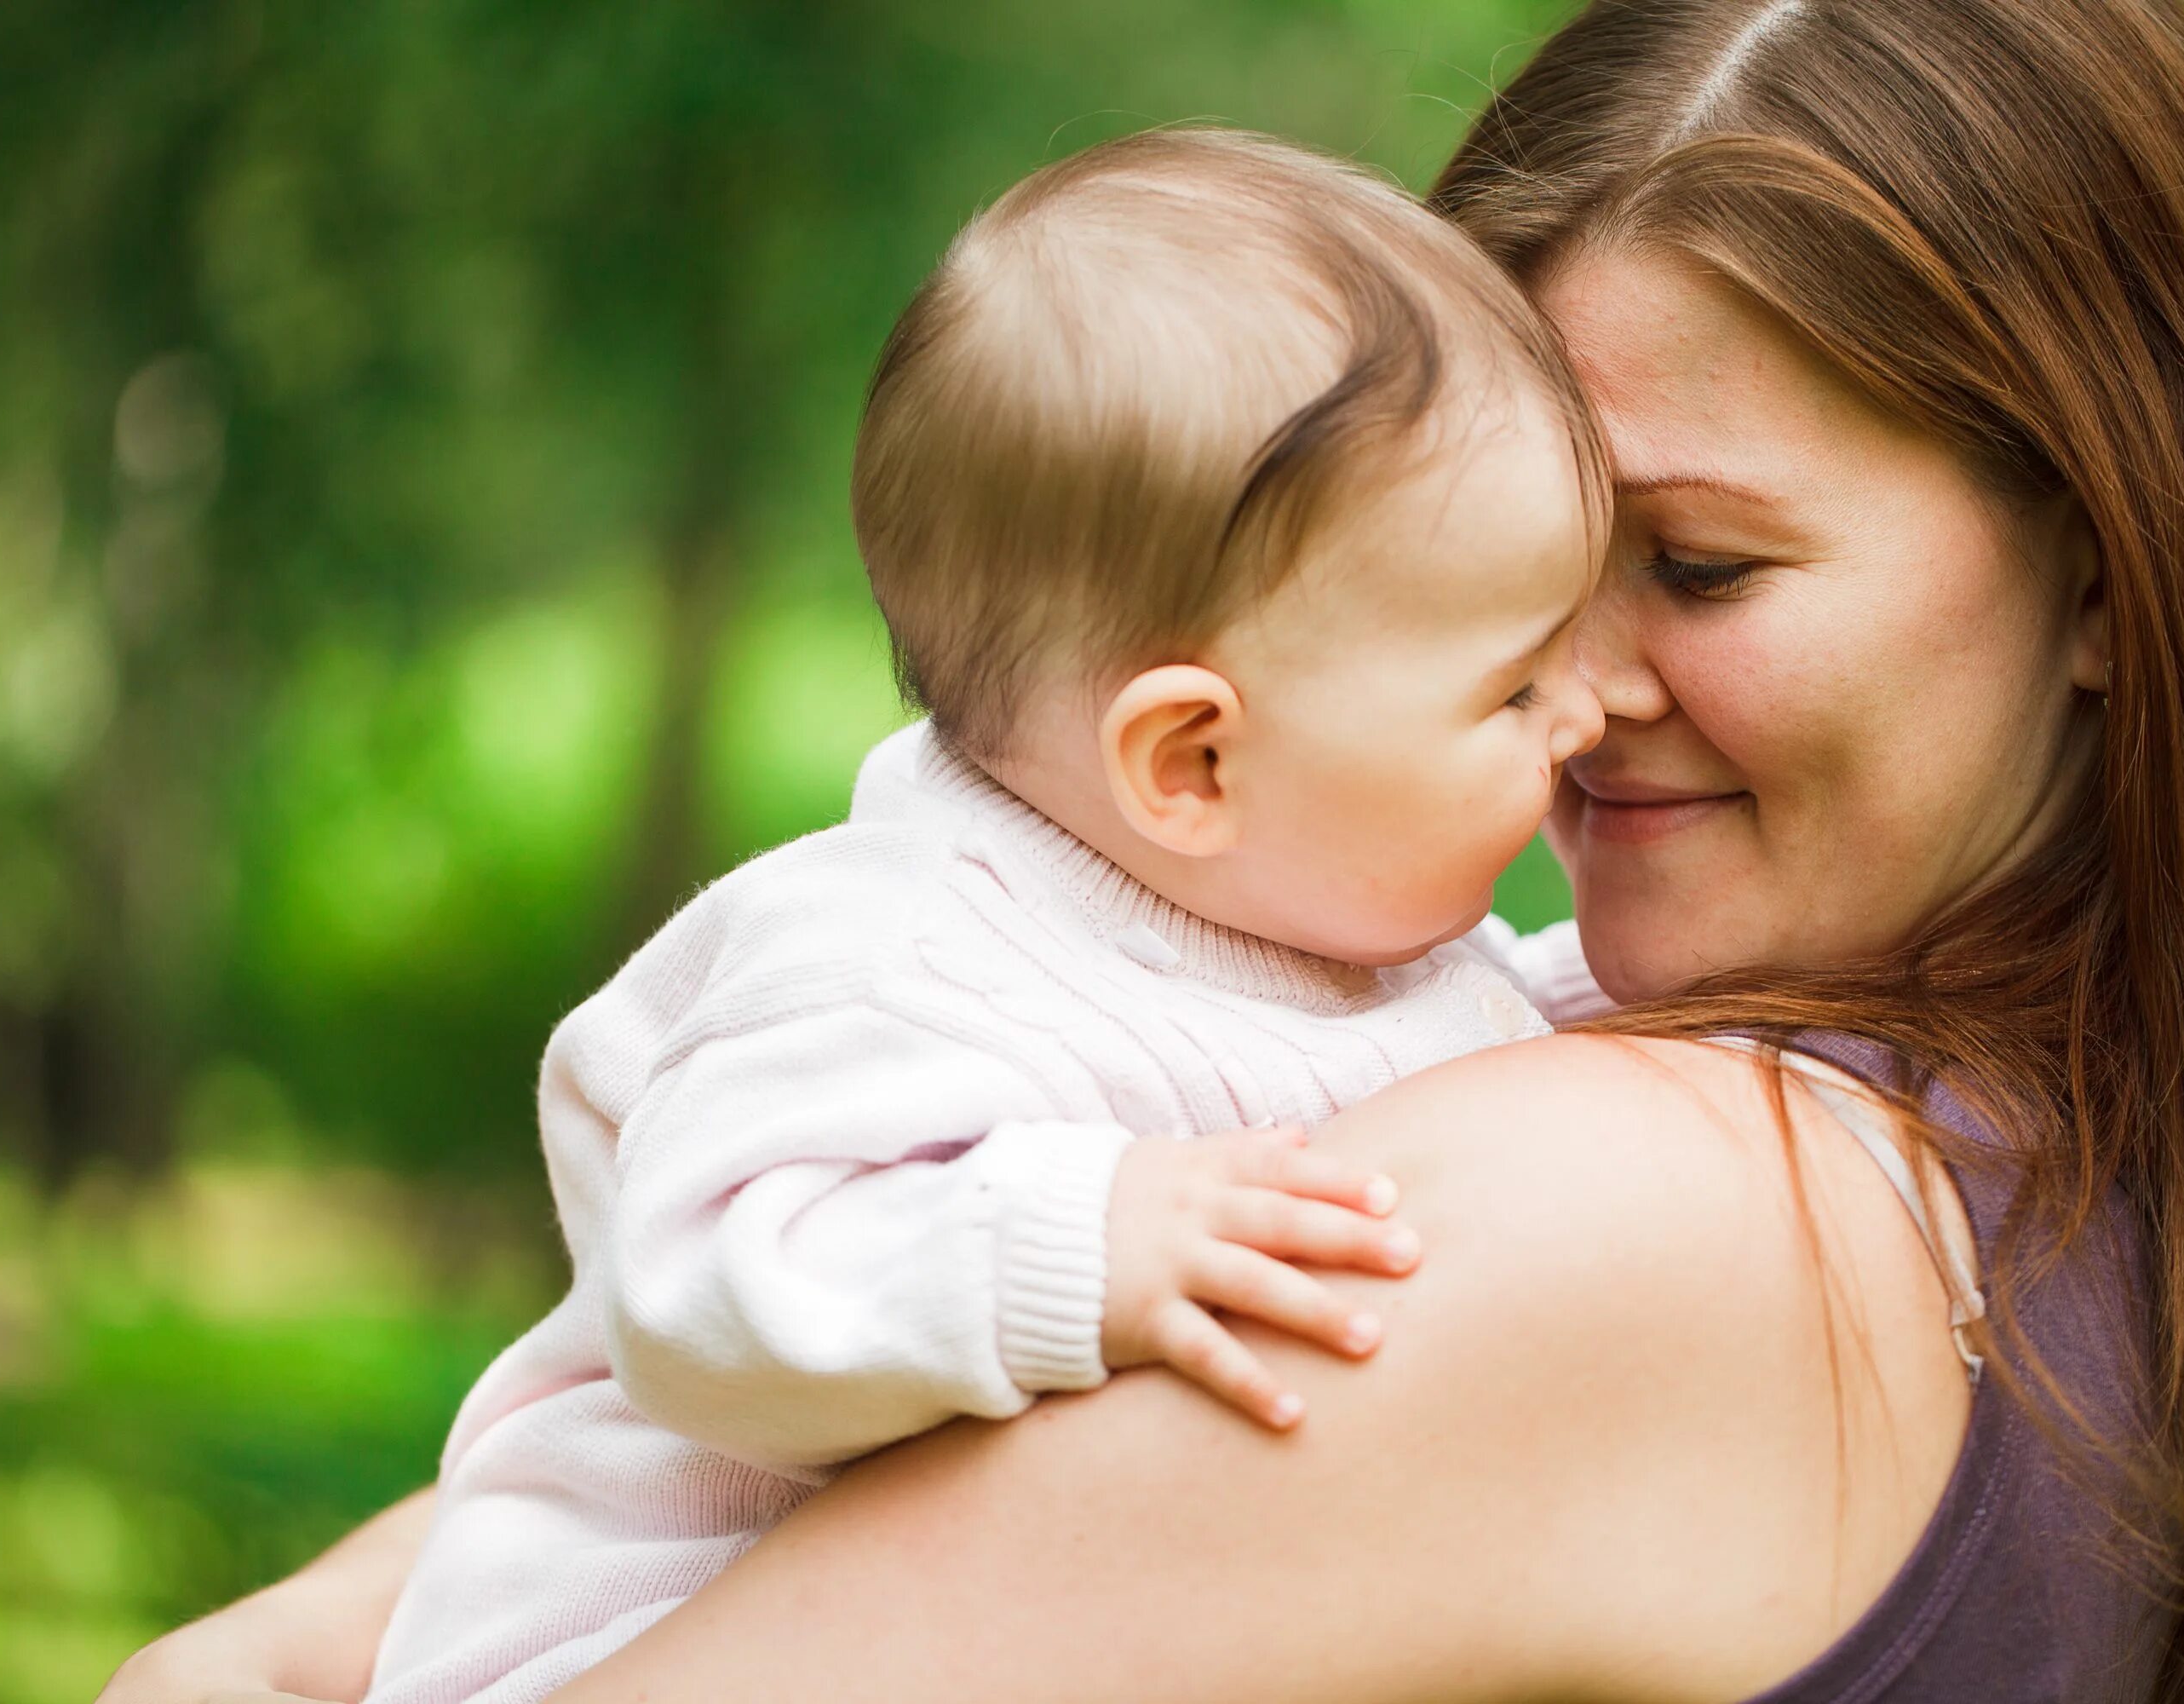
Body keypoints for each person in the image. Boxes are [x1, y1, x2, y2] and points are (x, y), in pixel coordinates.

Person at [101, 0, 2184, 1700]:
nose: (1576, 694)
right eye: (1492, 599)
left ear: (2109, 563)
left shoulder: (1651, 1211)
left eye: (1706, 569)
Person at [357, 127, 1624, 1704]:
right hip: (629, 1650)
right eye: (1515, 682)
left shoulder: (1306, 915)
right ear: (1193, 759)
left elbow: (1498, 1036)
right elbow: (697, 1286)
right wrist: (1070, 1242)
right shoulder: (886, 962)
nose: (1590, 708)